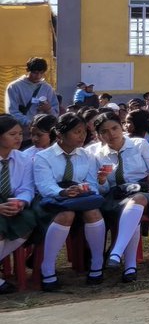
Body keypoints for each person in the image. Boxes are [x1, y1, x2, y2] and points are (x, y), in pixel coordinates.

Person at [88, 110, 149, 282]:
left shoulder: (139, 144)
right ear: (98, 135)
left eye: (114, 128)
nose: (111, 134)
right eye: (104, 131)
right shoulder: (96, 153)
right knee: (131, 213)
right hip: (115, 195)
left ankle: (117, 251)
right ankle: (130, 266)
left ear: (122, 128)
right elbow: (101, 190)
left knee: (138, 200)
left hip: (143, 190)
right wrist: (102, 180)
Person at [33, 112, 107, 291]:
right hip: (54, 199)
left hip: (79, 197)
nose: (82, 136)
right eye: (77, 132)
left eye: (83, 132)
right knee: (66, 214)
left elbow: (91, 183)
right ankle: (48, 267)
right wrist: (63, 191)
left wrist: (87, 187)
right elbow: (45, 186)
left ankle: (97, 263)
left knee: (93, 211)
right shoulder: (44, 157)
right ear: (60, 134)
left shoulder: (86, 155)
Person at [0, 115, 36, 293]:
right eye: (12, 134)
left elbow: (27, 187)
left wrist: (22, 201)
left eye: (20, 134)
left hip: (12, 203)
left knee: (28, 222)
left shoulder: (23, 159)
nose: (18, 138)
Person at [5, 57, 58, 144]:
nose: (38, 76)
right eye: (35, 73)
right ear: (28, 70)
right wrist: (30, 123)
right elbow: (12, 111)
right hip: (22, 135)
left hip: (42, 136)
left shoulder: (47, 88)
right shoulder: (14, 87)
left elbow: (55, 114)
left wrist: (49, 109)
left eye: (41, 73)